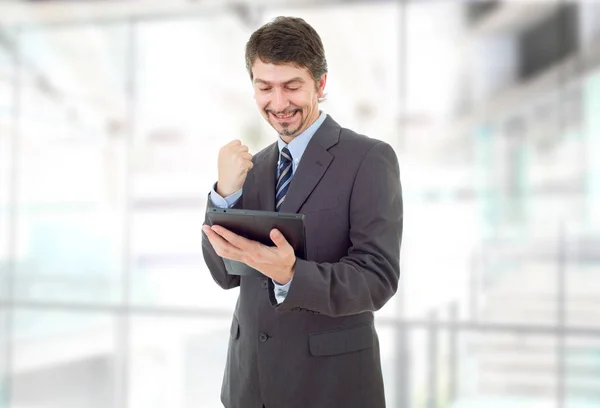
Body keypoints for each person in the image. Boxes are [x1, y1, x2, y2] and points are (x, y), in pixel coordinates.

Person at [202, 16, 403, 408]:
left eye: (292, 86)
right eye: (265, 88)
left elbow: (377, 278)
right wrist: (224, 193)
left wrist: (290, 275)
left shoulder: (368, 159)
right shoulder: (252, 168)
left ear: (321, 84)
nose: (278, 104)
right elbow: (224, 273)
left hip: (330, 388)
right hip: (250, 385)